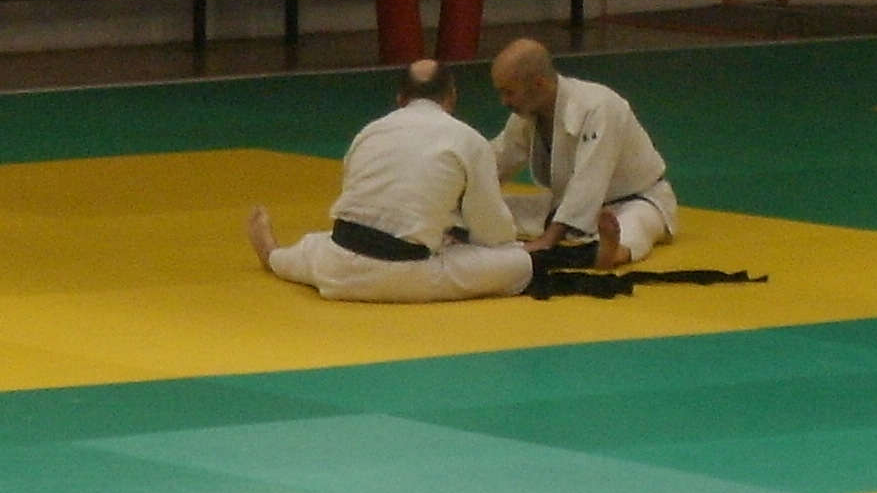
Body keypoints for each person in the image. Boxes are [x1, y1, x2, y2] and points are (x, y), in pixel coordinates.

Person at [248, 60, 532, 305]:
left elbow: (360, 201)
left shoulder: (369, 132)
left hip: (337, 266)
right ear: (452, 97)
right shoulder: (468, 139)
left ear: (400, 98)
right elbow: (491, 228)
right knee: (518, 263)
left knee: (315, 246)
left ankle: (275, 257)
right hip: (404, 274)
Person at [488, 38, 677, 269]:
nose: (504, 101)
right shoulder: (527, 115)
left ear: (539, 84)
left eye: (509, 92)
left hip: (636, 200)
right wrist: (460, 194)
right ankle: (584, 242)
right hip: (565, 207)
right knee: (492, 209)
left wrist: (547, 241)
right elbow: (497, 160)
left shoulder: (598, 107)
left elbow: (589, 180)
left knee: (636, 225)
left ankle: (613, 251)